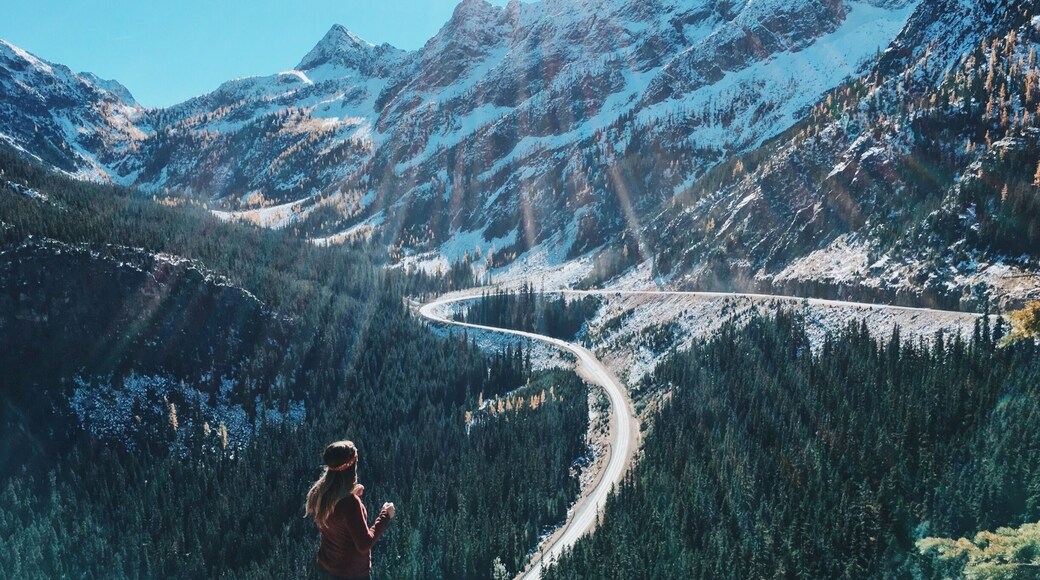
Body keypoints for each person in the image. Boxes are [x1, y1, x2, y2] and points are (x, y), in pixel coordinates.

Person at [306, 440, 396, 580]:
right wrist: (385, 515)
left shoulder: (320, 492)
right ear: (351, 466)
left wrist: (350, 492)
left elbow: (336, 519)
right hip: (350, 573)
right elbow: (364, 544)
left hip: (326, 567)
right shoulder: (349, 503)